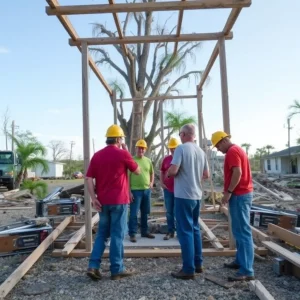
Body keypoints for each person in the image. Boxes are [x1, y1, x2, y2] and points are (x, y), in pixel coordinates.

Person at [86, 124, 140, 281]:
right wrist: (126, 150)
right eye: (121, 138)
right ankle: (117, 269)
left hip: (102, 202)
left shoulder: (97, 155)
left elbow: (89, 178)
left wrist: (93, 198)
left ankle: (93, 266)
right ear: (118, 139)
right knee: (117, 234)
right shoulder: (123, 154)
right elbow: (137, 170)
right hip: (119, 202)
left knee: (102, 234)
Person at [211, 131, 254, 282]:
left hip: (239, 195)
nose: (217, 149)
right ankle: (240, 261)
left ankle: (247, 270)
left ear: (223, 141)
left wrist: (228, 192)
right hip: (242, 194)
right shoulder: (237, 150)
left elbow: (237, 172)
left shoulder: (232, 152)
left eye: (217, 146)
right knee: (238, 230)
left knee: (243, 232)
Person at [167, 124, 209, 280]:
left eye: (180, 134)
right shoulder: (201, 152)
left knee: (184, 231)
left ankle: (188, 269)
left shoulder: (181, 149)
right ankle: (198, 264)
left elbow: (173, 170)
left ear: (184, 134)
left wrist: (169, 175)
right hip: (197, 195)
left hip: (183, 195)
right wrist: (193, 174)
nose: (180, 136)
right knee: (195, 228)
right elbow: (206, 174)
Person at [128, 139, 155, 243]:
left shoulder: (148, 161)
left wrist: (151, 183)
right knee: (134, 213)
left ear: (145, 149)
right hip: (135, 191)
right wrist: (129, 191)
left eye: (143, 148)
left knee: (145, 212)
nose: (141, 150)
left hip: (146, 190)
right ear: (136, 148)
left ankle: (144, 231)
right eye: (139, 148)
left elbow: (152, 173)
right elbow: (127, 177)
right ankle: (133, 234)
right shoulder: (131, 160)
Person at [160, 137, 180, 240]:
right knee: (169, 211)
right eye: (171, 148)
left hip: (179, 189)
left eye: (174, 148)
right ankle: (170, 231)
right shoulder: (166, 159)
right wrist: (162, 182)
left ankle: (179, 232)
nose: (172, 150)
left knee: (178, 211)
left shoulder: (181, 158)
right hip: (168, 189)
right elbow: (162, 171)